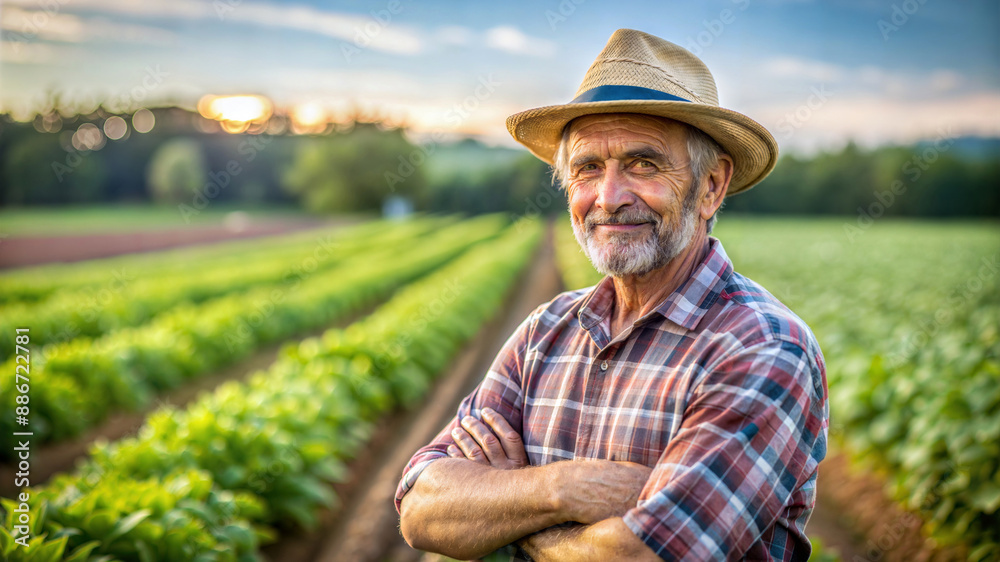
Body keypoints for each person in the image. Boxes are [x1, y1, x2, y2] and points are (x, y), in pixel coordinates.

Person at [395, 28, 829, 561]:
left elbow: (642, 556)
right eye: (587, 169)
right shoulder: (545, 331)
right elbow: (420, 509)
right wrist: (566, 488)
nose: (609, 197)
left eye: (643, 164)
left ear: (711, 186)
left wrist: (507, 512)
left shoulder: (761, 348)